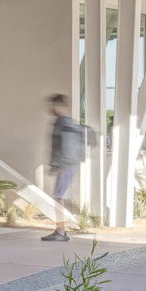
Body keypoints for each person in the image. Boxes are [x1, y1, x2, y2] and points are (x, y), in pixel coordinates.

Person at [44, 93, 88, 242]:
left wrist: (59, 165)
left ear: (60, 106)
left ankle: (61, 232)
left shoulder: (63, 122)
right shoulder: (65, 122)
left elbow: (66, 145)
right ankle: (60, 230)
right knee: (58, 197)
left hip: (66, 165)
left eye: (54, 105)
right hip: (68, 164)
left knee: (59, 197)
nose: (51, 108)